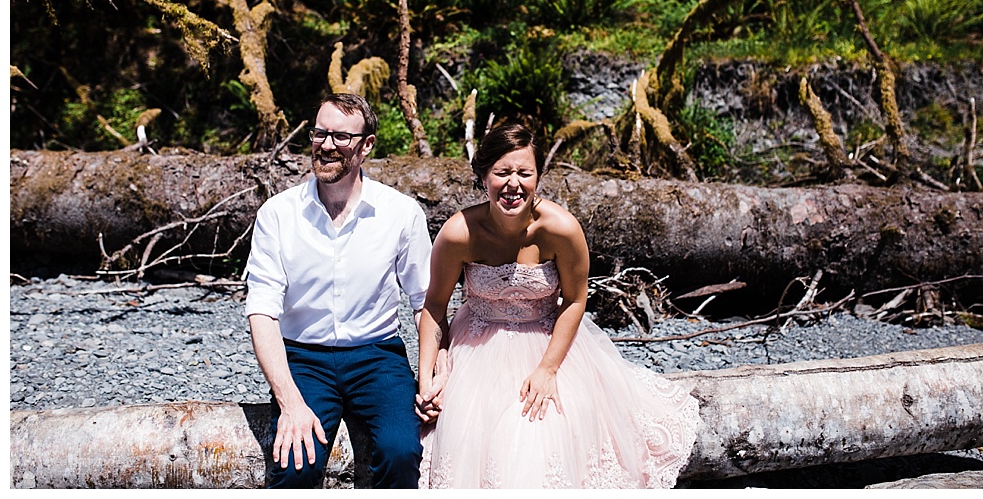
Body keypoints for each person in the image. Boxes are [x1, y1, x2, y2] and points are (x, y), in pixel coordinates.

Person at [415, 122, 701, 489]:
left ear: (538, 176)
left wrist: (548, 370)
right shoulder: (459, 233)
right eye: (502, 172)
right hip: (475, 344)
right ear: (483, 175)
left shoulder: (561, 228)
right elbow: (434, 308)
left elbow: (575, 300)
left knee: (544, 429)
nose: (513, 184)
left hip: (548, 341)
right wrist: (427, 380)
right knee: (463, 431)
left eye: (524, 172)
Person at [244, 93, 432, 489]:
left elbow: (424, 302)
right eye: (319, 133)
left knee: (402, 452)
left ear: (367, 145)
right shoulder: (277, 214)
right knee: (296, 462)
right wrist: (290, 403)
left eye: (341, 137)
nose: (326, 145)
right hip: (303, 356)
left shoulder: (401, 213)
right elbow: (261, 310)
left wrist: (432, 373)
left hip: (377, 357)